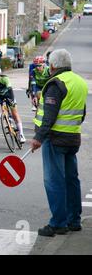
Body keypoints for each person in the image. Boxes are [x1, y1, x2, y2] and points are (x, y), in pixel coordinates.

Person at [30, 49, 88, 237]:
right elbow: (82, 112)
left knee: (54, 181)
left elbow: (49, 115)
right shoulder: (79, 82)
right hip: (73, 138)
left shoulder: (56, 83)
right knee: (72, 179)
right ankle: (74, 221)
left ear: (53, 66)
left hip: (55, 139)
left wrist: (39, 138)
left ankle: (58, 223)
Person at [0, 67, 26, 143]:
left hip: (8, 95)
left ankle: (21, 134)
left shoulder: (5, 79)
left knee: (15, 113)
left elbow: (10, 90)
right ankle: (4, 118)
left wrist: (12, 101)